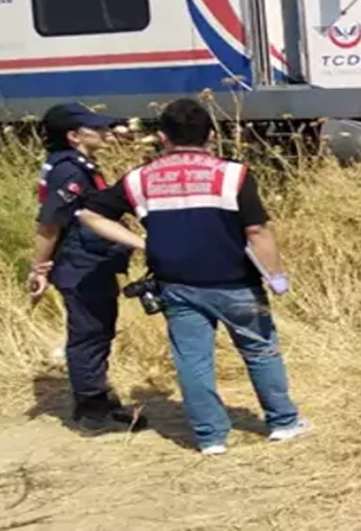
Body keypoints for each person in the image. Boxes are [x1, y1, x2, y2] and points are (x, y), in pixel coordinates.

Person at [76, 98, 308, 455]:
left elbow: (90, 214)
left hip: (176, 284)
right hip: (236, 282)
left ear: (162, 137)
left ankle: (210, 437)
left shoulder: (139, 179)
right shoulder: (234, 174)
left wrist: (141, 243)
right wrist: (275, 275)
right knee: (261, 351)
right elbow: (257, 230)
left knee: (193, 360)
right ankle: (283, 422)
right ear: (211, 136)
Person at [27, 103, 148, 435]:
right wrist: (39, 268)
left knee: (98, 329)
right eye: (98, 128)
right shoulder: (70, 171)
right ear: (74, 136)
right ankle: (92, 411)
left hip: (89, 262)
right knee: (88, 333)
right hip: (80, 265)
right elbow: (49, 225)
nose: (107, 132)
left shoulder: (77, 164)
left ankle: (100, 399)